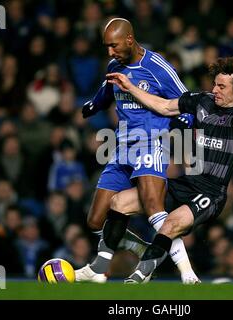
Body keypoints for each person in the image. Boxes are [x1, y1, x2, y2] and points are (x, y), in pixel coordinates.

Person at [105, 46, 233, 283]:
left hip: (210, 193)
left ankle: (138, 277)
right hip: (186, 182)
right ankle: (104, 263)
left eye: (221, 87)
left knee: (169, 225)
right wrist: (130, 87)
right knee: (119, 201)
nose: (214, 90)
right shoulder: (202, 101)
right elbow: (164, 106)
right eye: (214, 84)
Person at [75, 18, 199, 283]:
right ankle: (139, 249)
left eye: (114, 46)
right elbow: (106, 93)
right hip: (120, 147)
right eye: (107, 46)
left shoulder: (157, 67)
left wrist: (183, 122)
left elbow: (186, 101)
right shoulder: (114, 66)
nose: (110, 52)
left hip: (150, 143)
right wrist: (93, 105)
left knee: (154, 209)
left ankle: (187, 272)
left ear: (130, 39)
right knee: (95, 220)